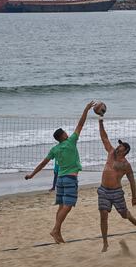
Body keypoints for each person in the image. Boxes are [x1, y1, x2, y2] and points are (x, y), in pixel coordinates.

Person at [25, 101, 95, 243]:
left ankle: (58, 233)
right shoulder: (71, 142)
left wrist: (32, 174)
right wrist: (86, 109)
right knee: (68, 206)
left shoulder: (55, 149)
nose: (67, 133)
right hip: (70, 179)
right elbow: (81, 124)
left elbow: (43, 163)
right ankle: (55, 229)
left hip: (60, 180)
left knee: (62, 206)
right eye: (65, 133)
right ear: (62, 136)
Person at [97, 117, 136, 252]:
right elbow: (104, 137)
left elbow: (132, 180)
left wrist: (134, 196)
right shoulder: (110, 152)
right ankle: (105, 243)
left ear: (125, 150)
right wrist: (100, 123)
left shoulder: (126, 165)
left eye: (120, 145)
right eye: (118, 145)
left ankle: (128, 215)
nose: (117, 146)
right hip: (103, 190)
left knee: (123, 214)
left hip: (116, 192)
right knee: (103, 215)